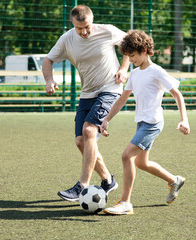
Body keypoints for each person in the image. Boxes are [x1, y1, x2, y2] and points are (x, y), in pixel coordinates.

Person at [42, 5, 130, 202]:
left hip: (110, 88)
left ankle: (82, 186)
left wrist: (124, 68)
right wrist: (49, 80)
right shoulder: (67, 39)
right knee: (81, 141)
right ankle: (108, 180)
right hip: (87, 93)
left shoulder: (107, 31)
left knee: (90, 131)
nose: (84, 32)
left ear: (93, 21)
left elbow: (129, 45)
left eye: (87, 27)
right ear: (73, 24)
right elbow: (48, 60)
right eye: (79, 28)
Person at [100, 30, 190, 215]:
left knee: (126, 156)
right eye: (128, 56)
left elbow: (177, 94)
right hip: (141, 123)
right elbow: (122, 99)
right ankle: (174, 180)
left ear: (144, 50)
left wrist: (184, 120)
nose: (130, 60)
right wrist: (107, 119)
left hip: (153, 123)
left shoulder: (157, 71)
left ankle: (125, 203)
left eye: (132, 55)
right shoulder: (133, 75)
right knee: (142, 163)